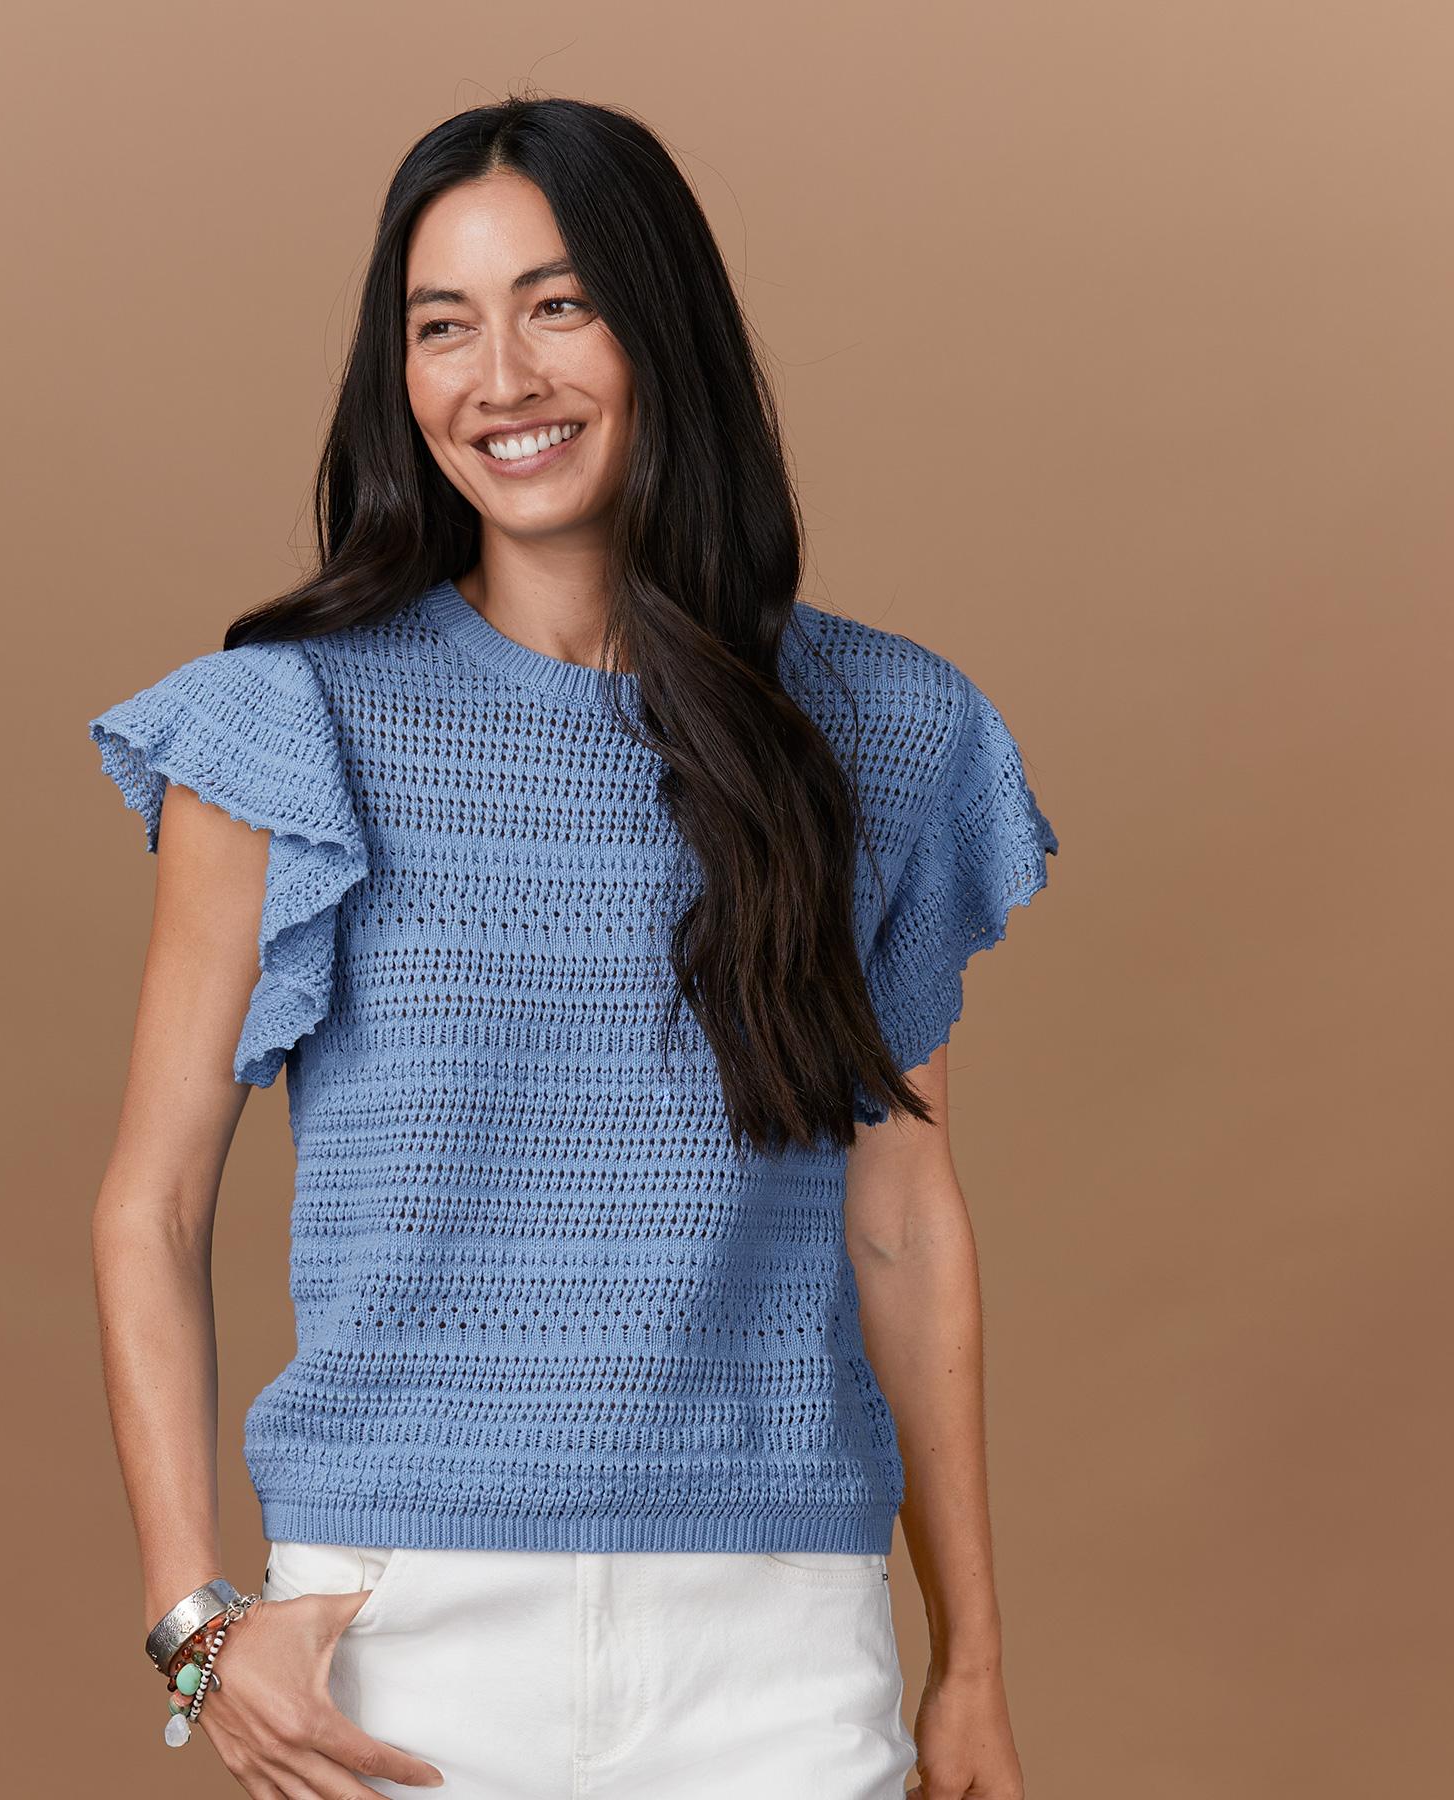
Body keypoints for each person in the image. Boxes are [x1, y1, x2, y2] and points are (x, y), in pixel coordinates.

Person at [87, 94, 1057, 1800]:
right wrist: (195, 1624)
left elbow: (904, 1218)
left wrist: (969, 1656)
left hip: (777, 1638)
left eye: (559, 306)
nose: (501, 378)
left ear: (661, 328)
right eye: (442, 326)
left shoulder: (880, 732)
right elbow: (152, 1207)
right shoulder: (284, 729)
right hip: (395, 1635)